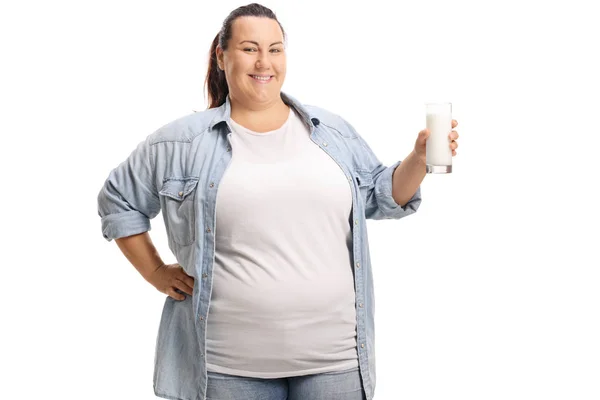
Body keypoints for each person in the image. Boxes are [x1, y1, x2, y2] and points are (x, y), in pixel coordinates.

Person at [97, 3, 459, 400]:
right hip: (226, 367)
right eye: (249, 48)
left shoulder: (331, 132)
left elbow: (382, 195)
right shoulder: (180, 143)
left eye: (275, 48)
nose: (264, 62)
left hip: (335, 361)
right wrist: (154, 272)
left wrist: (420, 161)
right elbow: (118, 200)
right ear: (222, 55)